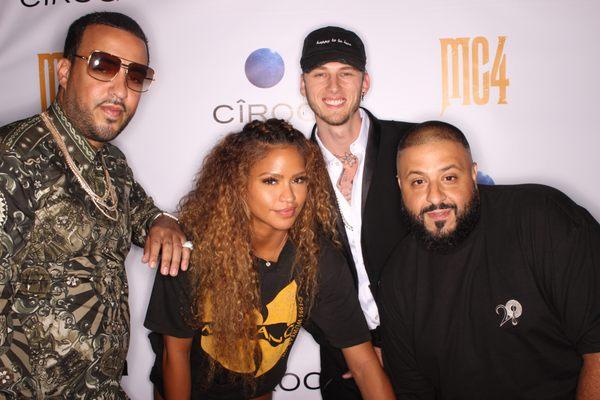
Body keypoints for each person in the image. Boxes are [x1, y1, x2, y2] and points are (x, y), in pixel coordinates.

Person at [0, 12, 189, 399]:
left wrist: (162, 220)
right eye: (104, 66)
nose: (120, 89)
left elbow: (141, 213)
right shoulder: (13, 159)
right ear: (65, 71)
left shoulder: (113, 163)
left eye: (135, 75)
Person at [144, 119, 395, 400]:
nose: (289, 197)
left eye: (298, 180)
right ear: (238, 184)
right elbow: (174, 355)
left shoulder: (317, 259)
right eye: (271, 180)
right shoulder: (192, 251)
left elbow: (362, 364)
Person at [379, 121, 600, 399]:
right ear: (401, 186)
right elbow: (415, 392)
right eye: (418, 182)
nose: (435, 197)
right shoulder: (396, 280)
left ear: (473, 174)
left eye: (449, 178)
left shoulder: (541, 219)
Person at [299, 25, 413, 398]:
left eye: (345, 74)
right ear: (303, 85)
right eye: (320, 75)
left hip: (425, 349)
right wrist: (349, 344)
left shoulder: (411, 146)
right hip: (344, 360)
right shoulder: (286, 170)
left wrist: (399, 340)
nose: (333, 88)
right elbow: (291, 271)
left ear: (365, 82)